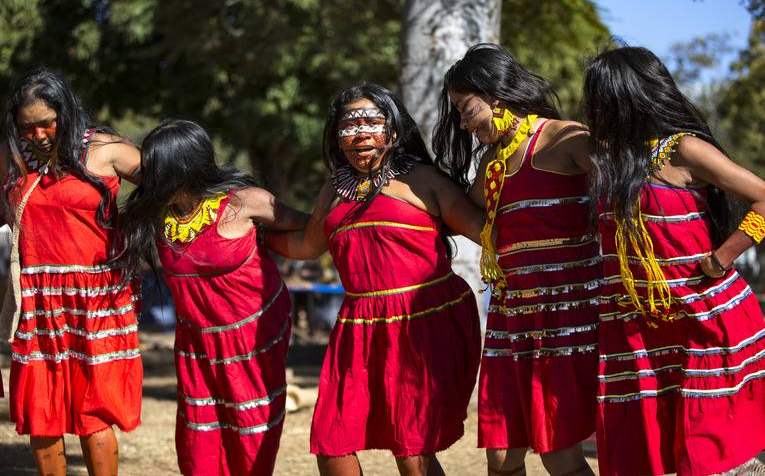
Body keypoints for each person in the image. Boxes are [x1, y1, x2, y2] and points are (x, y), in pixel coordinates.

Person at [584, 46, 765, 476]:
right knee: (644, 449)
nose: (595, 107)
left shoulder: (683, 150)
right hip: (634, 325)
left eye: (602, 96)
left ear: (629, 95)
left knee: (706, 454)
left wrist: (720, 259)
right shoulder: (608, 161)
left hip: (701, 315)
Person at [264, 84, 483, 476]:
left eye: (371, 122)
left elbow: (484, 229)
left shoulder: (424, 180)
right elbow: (306, 245)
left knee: (412, 451)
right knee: (333, 442)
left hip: (424, 321)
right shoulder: (333, 188)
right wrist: (252, 234)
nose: (361, 133)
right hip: (359, 325)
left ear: (394, 131)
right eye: (349, 126)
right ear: (336, 137)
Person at [433, 43, 600, 476]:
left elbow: (624, 198)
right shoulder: (493, 162)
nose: (462, 123)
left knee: (559, 453)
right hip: (513, 318)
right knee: (502, 457)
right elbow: (458, 215)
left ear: (496, 96)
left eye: (464, 108)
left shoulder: (568, 138)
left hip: (567, 317)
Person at [118, 119, 308, 475]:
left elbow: (309, 230)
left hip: (251, 339)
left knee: (250, 436)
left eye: (159, 172)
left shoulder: (245, 203)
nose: (151, 181)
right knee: (199, 441)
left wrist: (263, 243)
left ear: (187, 169)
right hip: (196, 343)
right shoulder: (158, 214)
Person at [0, 68, 142, 476]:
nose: (39, 134)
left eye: (47, 122)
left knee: (93, 409)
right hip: (37, 297)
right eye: (28, 127)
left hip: (96, 296)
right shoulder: (10, 159)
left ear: (66, 110)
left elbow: (170, 185)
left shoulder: (105, 149)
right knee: (40, 408)